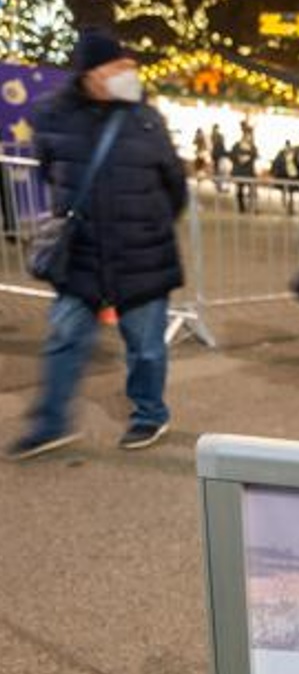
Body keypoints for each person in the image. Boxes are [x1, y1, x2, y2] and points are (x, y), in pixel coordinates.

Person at [8, 29, 187, 460]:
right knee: (64, 338)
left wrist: (150, 224)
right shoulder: (53, 116)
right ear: (91, 73)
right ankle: (51, 424)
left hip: (142, 252)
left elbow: (175, 186)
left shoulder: (146, 118)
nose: (130, 74)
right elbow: (51, 173)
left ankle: (149, 413)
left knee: (145, 346)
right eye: (118, 67)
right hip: (81, 254)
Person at [210, 122, 227, 191]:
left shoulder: (214, 136)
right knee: (219, 171)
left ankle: (218, 185)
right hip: (218, 156)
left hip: (217, 155)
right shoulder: (216, 136)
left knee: (218, 170)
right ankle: (218, 185)